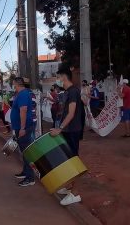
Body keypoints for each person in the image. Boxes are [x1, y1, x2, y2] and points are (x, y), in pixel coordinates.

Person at [50, 68, 83, 205]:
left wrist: (60, 128)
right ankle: (70, 186)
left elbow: (71, 113)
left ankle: (76, 194)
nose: (57, 80)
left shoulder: (73, 91)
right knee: (68, 159)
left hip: (72, 130)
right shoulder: (68, 92)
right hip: (67, 130)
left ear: (64, 77)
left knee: (74, 160)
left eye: (58, 77)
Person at [10, 77, 36, 187]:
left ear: (17, 84)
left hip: (24, 127)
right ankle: (26, 172)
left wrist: (22, 128)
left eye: (13, 84)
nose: (13, 86)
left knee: (26, 152)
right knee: (24, 151)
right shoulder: (20, 94)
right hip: (20, 127)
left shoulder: (23, 94)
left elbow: (23, 111)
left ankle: (30, 178)